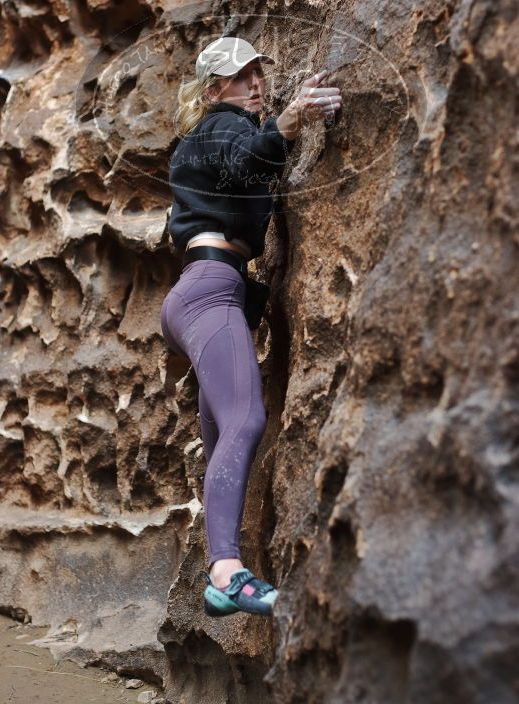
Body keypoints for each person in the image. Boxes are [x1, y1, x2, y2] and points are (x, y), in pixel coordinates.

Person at [160, 36, 342, 617]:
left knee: (223, 438)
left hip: (203, 292)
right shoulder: (220, 127)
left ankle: (221, 572)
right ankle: (228, 574)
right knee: (247, 418)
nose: (256, 83)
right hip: (212, 290)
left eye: (259, 71)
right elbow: (244, 161)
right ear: (215, 89)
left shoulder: (196, 143)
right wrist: (286, 123)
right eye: (241, 76)